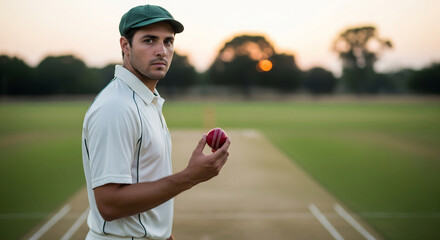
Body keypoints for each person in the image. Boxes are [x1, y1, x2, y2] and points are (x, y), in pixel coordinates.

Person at [81, 5, 231, 240]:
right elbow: (109, 205)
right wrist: (190, 176)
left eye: (168, 42)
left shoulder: (146, 101)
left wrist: (164, 236)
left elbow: (148, 188)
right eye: (149, 40)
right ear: (125, 46)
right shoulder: (116, 107)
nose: (162, 50)